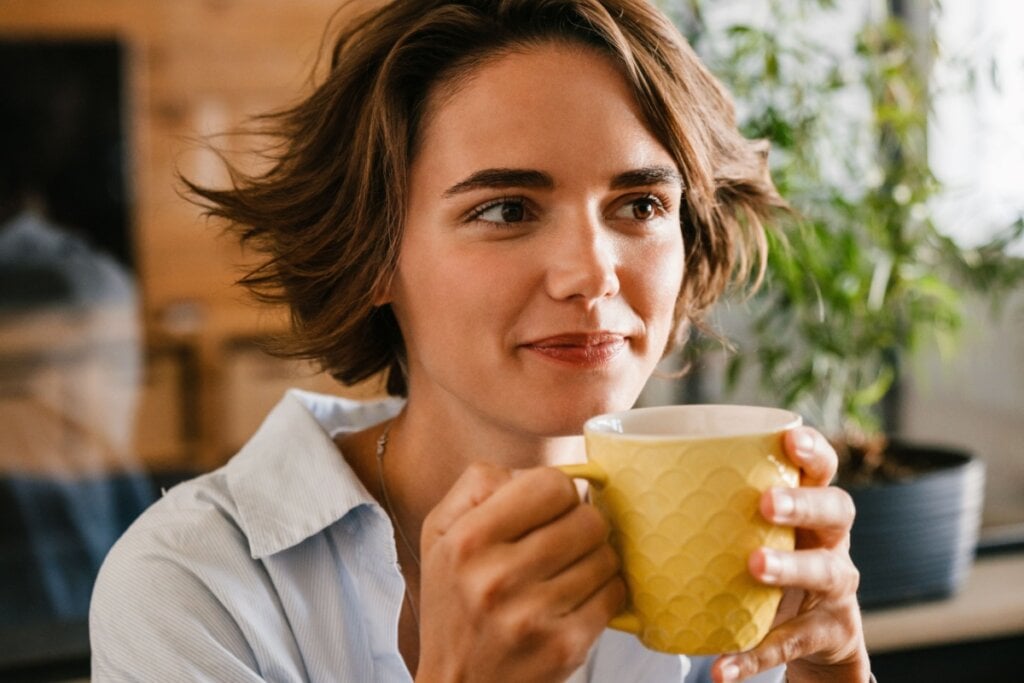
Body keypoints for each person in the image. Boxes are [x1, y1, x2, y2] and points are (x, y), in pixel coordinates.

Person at [90, 1, 872, 681]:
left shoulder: (722, 540)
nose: (592, 274)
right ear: (374, 257)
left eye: (639, 204)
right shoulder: (190, 587)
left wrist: (831, 672)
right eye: (505, 210)